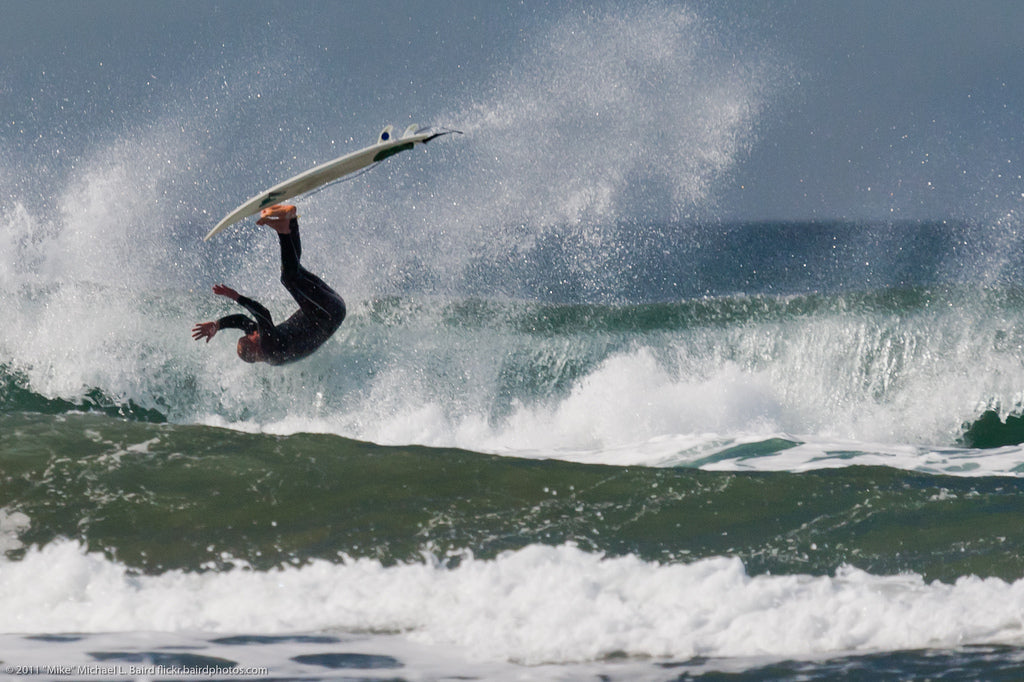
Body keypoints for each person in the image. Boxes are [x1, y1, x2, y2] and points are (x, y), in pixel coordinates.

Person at [191, 204, 346, 365]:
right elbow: (263, 313)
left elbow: (242, 321)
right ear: (256, 348)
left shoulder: (261, 343)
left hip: (322, 309)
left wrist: (218, 325)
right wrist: (235, 296)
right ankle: (283, 230)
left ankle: (291, 219)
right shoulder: (271, 349)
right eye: (252, 336)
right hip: (329, 314)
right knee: (289, 279)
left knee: (294, 271)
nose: (253, 332)